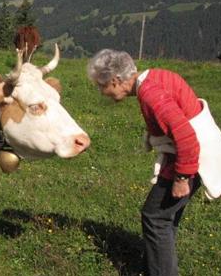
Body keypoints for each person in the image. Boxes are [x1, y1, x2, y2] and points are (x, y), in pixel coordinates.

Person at [86, 49, 202, 276]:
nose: (102, 92)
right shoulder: (156, 76)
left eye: (102, 86)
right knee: (165, 219)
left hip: (188, 161)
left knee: (155, 217)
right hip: (195, 158)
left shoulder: (150, 94)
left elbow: (187, 137)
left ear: (116, 81)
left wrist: (181, 178)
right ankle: (158, 267)